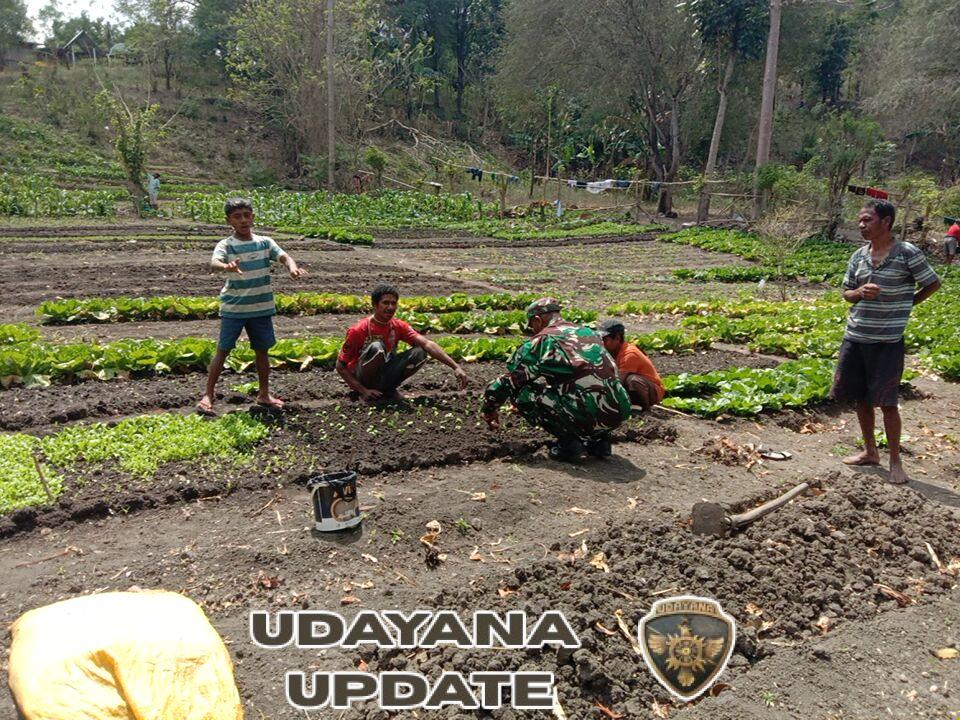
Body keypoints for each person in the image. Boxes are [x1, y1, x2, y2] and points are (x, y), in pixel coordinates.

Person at [831, 199, 941, 484]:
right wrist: (858, 293)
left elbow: (932, 282)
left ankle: (895, 461)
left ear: (886, 222)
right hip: (856, 337)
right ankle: (870, 452)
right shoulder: (858, 255)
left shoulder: (907, 253)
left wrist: (908, 304)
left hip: (887, 341)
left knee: (887, 402)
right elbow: (845, 292)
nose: (861, 225)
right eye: (860, 220)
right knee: (860, 398)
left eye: (867, 220)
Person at [482, 298, 632, 461]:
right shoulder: (589, 333)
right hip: (620, 411)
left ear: (537, 320)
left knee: (521, 392)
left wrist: (489, 408)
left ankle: (569, 446)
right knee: (589, 387)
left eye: (532, 325)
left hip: (588, 414)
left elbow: (510, 381)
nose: (533, 330)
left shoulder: (543, 340)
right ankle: (599, 443)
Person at [197, 198, 306, 414]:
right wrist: (226, 267)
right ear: (228, 220)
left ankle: (264, 394)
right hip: (234, 308)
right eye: (237, 216)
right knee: (223, 350)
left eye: (247, 215)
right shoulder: (226, 245)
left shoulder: (265, 242)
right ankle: (208, 395)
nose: (243, 220)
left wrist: (292, 268)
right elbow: (213, 263)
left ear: (253, 217)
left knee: (262, 351)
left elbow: (285, 257)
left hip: (261, 308)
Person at [336, 284, 468, 400]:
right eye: (385, 303)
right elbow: (340, 366)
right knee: (377, 347)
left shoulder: (398, 326)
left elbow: (427, 344)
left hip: (385, 373)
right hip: (362, 378)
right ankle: (369, 393)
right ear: (374, 305)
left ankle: (388, 390)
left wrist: (455, 367)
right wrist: (362, 390)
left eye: (393, 303)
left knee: (420, 352)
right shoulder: (358, 330)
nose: (390, 307)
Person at [597, 319, 665, 410]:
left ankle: (643, 408)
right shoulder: (611, 351)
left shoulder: (630, 354)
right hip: (633, 387)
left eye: (605, 340)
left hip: (651, 392)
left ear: (617, 338)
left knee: (632, 380)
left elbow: (619, 382)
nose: (602, 343)